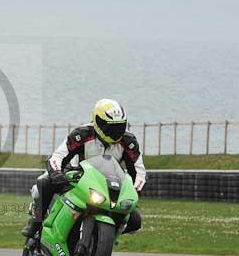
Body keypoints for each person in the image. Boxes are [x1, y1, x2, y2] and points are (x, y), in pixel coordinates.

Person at [21, 99, 146, 238]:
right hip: (75, 176)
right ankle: (35, 223)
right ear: (98, 121)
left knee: (135, 220)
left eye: (119, 126)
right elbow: (57, 156)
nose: (115, 132)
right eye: (110, 127)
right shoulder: (82, 134)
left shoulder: (128, 142)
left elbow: (139, 171)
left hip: (106, 186)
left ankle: (107, 237)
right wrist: (56, 173)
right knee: (44, 182)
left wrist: (135, 190)